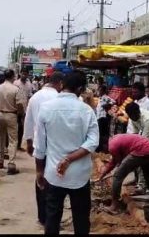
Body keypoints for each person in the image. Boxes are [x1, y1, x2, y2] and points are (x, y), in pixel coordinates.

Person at [33, 70, 99, 235]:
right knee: (81, 218)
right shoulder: (86, 111)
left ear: (62, 85)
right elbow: (93, 142)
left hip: (53, 173)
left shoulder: (46, 108)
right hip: (80, 175)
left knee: (52, 218)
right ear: (81, 89)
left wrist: (39, 170)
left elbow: (40, 145)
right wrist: (69, 159)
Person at [23, 71, 64, 226]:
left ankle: (42, 217)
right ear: (60, 83)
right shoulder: (58, 98)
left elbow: (28, 121)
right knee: (55, 180)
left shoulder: (35, 97)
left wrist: (28, 141)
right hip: (56, 146)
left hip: (39, 145)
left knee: (40, 178)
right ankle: (53, 218)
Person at [97, 134, 149, 215]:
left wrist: (114, 170)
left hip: (142, 150)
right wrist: (104, 173)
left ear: (104, 145)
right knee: (148, 177)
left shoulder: (112, 146)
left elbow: (118, 162)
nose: (105, 153)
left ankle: (114, 206)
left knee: (117, 176)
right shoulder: (114, 139)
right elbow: (115, 161)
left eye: (103, 150)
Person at [0, 69, 26, 174]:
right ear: (13, 76)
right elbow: (20, 105)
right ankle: (11, 163)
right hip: (12, 114)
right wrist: (20, 115)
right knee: (13, 140)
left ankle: (0, 161)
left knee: (1, 137)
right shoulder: (15, 89)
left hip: (0, 113)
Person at [14, 68, 34, 152]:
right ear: (20, 73)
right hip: (15, 108)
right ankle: (12, 145)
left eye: (26, 74)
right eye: (23, 73)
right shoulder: (15, 83)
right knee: (14, 127)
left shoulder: (29, 84)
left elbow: (30, 96)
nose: (24, 75)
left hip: (25, 109)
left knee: (22, 128)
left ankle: (18, 145)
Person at [95, 85, 115, 153]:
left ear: (103, 91)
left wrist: (107, 105)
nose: (98, 92)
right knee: (100, 133)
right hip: (99, 117)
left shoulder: (105, 97)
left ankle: (101, 148)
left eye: (99, 90)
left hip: (103, 117)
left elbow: (113, 101)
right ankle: (101, 147)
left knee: (101, 133)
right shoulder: (100, 98)